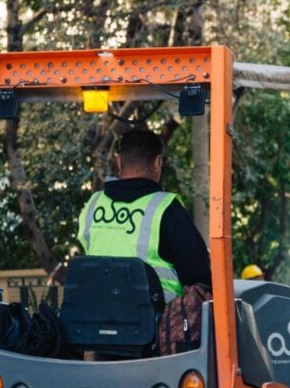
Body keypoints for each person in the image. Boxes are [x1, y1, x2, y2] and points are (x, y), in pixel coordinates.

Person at [77, 127, 211, 300]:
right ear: (157, 162)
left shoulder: (93, 204)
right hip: (156, 323)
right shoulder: (166, 209)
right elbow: (199, 280)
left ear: (119, 162)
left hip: (96, 318)